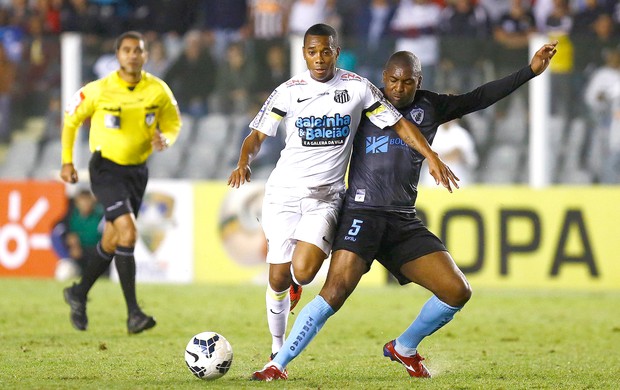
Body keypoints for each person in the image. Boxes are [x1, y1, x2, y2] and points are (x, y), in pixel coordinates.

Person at [251, 40, 558, 380]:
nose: (399, 88)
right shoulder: (363, 100)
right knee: (334, 292)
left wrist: (529, 72)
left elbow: (479, 97)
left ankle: (404, 347)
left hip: (401, 220)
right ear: (384, 77)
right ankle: (277, 364)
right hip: (361, 214)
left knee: (457, 291)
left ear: (419, 81)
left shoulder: (432, 106)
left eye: (407, 81)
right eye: (393, 81)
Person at [228, 23, 458, 363]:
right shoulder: (288, 91)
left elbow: (399, 123)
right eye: (311, 52)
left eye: (325, 51)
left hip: (326, 195)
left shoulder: (358, 88)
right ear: (303, 53)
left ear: (336, 52)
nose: (318, 59)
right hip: (283, 193)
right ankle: (277, 347)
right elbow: (257, 136)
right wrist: (243, 161)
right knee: (278, 277)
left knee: (305, 272)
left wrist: (431, 156)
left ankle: (292, 304)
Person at [60, 31, 182, 334]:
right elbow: (71, 119)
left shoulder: (158, 90)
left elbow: (174, 122)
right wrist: (66, 161)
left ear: (145, 55)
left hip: (137, 172)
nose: (132, 55)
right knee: (128, 232)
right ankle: (134, 314)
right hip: (105, 169)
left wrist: (165, 138)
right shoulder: (100, 89)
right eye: (126, 50)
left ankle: (79, 292)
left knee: (113, 240)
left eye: (138, 50)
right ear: (118, 55)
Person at [52, 188, 105, 279]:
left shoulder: (100, 215)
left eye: (87, 200)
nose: (85, 204)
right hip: (77, 258)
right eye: (82, 200)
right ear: (77, 202)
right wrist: (68, 252)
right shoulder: (71, 216)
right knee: (64, 271)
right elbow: (56, 232)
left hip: (98, 258)